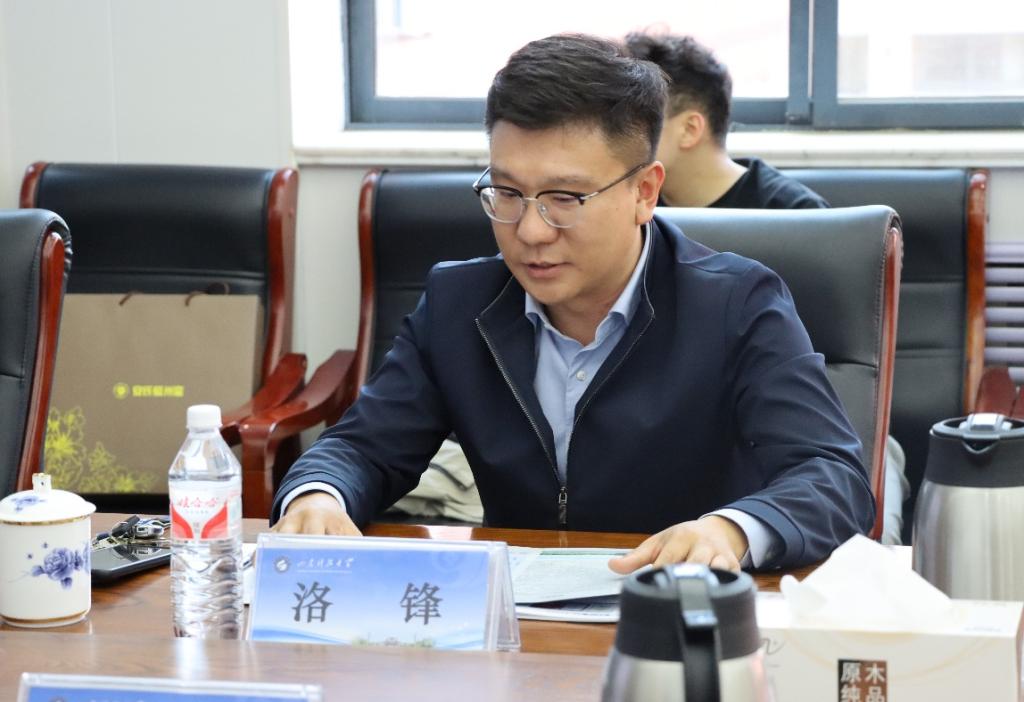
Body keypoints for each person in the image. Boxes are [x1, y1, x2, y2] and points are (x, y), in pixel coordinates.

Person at [271, 33, 874, 571]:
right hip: (521, 618)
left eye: (564, 198)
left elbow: (832, 477)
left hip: (679, 615)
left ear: (645, 192)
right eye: (507, 192)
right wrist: (319, 495)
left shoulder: (737, 303)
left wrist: (730, 532)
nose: (530, 231)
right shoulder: (460, 303)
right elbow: (363, 447)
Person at [624, 31, 909, 544]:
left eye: (635, 120)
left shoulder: (798, 220)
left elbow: (807, 390)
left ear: (689, 128)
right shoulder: (631, 216)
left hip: (781, 431)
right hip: (670, 430)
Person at [622, 32, 828, 210]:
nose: (618, 132)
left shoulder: (797, 212)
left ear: (689, 129)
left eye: (633, 118)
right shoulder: (627, 205)